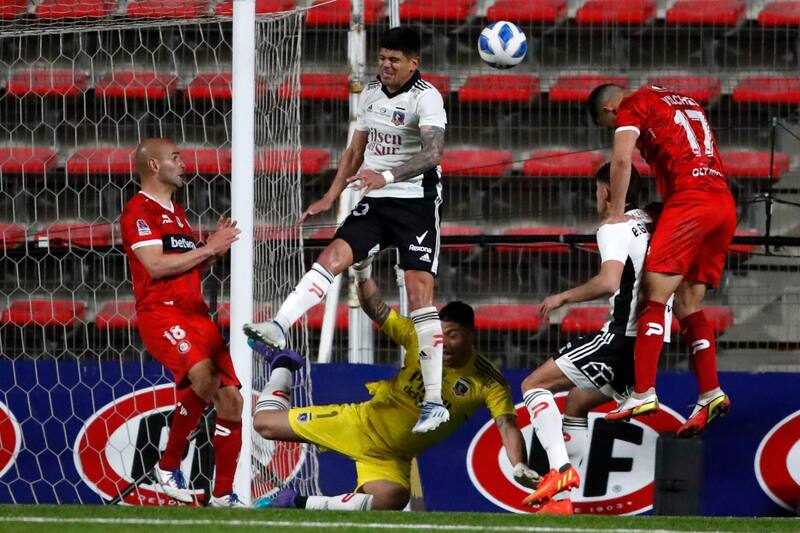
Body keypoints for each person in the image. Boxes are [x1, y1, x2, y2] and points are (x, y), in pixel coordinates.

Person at [243, 27, 450, 433]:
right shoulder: (371, 94)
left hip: (416, 204)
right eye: (382, 58)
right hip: (375, 199)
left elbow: (433, 153)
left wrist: (386, 176)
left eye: (394, 60)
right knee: (331, 256)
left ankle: (433, 400)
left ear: (414, 63)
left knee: (419, 292)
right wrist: (330, 195)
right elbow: (356, 151)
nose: (386, 65)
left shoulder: (427, 97)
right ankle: (279, 325)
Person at [248, 260, 539, 511]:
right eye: (441, 332)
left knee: (391, 498)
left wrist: (518, 464)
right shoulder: (420, 337)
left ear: (471, 336)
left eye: (453, 335)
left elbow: (506, 424)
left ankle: (297, 503)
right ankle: (283, 364)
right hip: (361, 424)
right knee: (264, 424)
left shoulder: (487, 379)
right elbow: (377, 309)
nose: (444, 342)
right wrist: (362, 273)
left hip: (393, 458)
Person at [519, 163, 673, 512]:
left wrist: (563, 297)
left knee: (533, 385)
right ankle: (561, 502)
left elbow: (609, 282)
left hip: (621, 336)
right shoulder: (657, 221)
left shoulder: (614, 227)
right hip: (652, 342)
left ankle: (559, 472)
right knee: (575, 403)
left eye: (596, 191)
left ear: (607, 191)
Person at [587, 83, 734, 434]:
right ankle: (711, 392)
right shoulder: (681, 99)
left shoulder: (632, 104)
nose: (616, 127)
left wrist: (617, 213)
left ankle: (643, 391)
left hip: (690, 202)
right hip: (723, 203)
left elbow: (621, 161)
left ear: (610, 109)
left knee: (653, 294)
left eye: (609, 125)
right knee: (688, 303)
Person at [120, 138, 245, 507]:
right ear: (154, 166)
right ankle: (169, 464)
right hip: (162, 312)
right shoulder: (138, 212)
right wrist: (208, 249)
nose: (183, 163)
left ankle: (222, 495)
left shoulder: (176, 212)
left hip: (195, 313)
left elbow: (182, 264)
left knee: (233, 401)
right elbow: (156, 267)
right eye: (175, 158)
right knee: (203, 374)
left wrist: (210, 249)